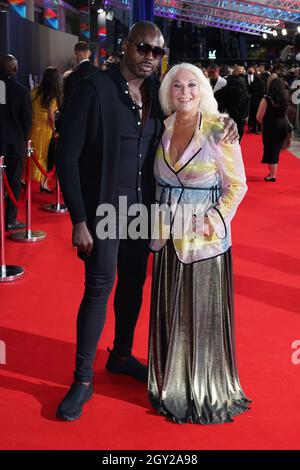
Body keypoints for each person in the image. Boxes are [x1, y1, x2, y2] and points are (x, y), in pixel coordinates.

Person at [55, 21, 239, 421]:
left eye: (157, 52)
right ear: (125, 47)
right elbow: (66, 157)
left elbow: (195, 115)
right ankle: (82, 379)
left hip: (145, 216)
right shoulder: (94, 90)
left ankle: (121, 354)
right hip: (104, 212)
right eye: (143, 48)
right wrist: (79, 218)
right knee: (99, 286)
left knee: (134, 285)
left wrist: (226, 121)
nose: (149, 58)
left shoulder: (157, 100)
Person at [148, 63, 251, 424]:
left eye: (192, 84)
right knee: (169, 310)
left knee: (201, 313)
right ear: (167, 92)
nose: (185, 91)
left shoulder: (218, 130)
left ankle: (203, 385)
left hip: (204, 242)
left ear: (203, 89)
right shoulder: (162, 128)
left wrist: (214, 219)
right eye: (177, 86)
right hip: (166, 238)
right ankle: (169, 382)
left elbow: (237, 185)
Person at [0, 54, 32, 231]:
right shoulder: (21, 91)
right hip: (14, 145)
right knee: (13, 183)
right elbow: (27, 122)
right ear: (15, 69)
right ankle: (10, 219)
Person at [29, 66, 62, 192]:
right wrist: (54, 129)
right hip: (46, 130)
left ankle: (25, 179)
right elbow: (51, 115)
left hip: (33, 128)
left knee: (32, 156)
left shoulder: (35, 92)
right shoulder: (53, 95)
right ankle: (44, 183)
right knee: (45, 156)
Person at [256, 77, 290, 182]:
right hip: (283, 125)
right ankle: (272, 173)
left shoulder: (266, 100)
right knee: (276, 149)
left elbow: (259, 117)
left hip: (271, 126)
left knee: (271, 150)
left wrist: (263, 124)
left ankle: (272, 175)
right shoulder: (286, 98)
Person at [63, 41, 98, 107]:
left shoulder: (71, 77)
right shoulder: (99, 72)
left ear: (76, 54)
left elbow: (68, 102)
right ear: (89, 53)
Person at [215, 74, 249, 141]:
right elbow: (245, 112)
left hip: (221, 124)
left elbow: (215, 110)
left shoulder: (219, 94)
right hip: (238, 125)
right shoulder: (245, 96)